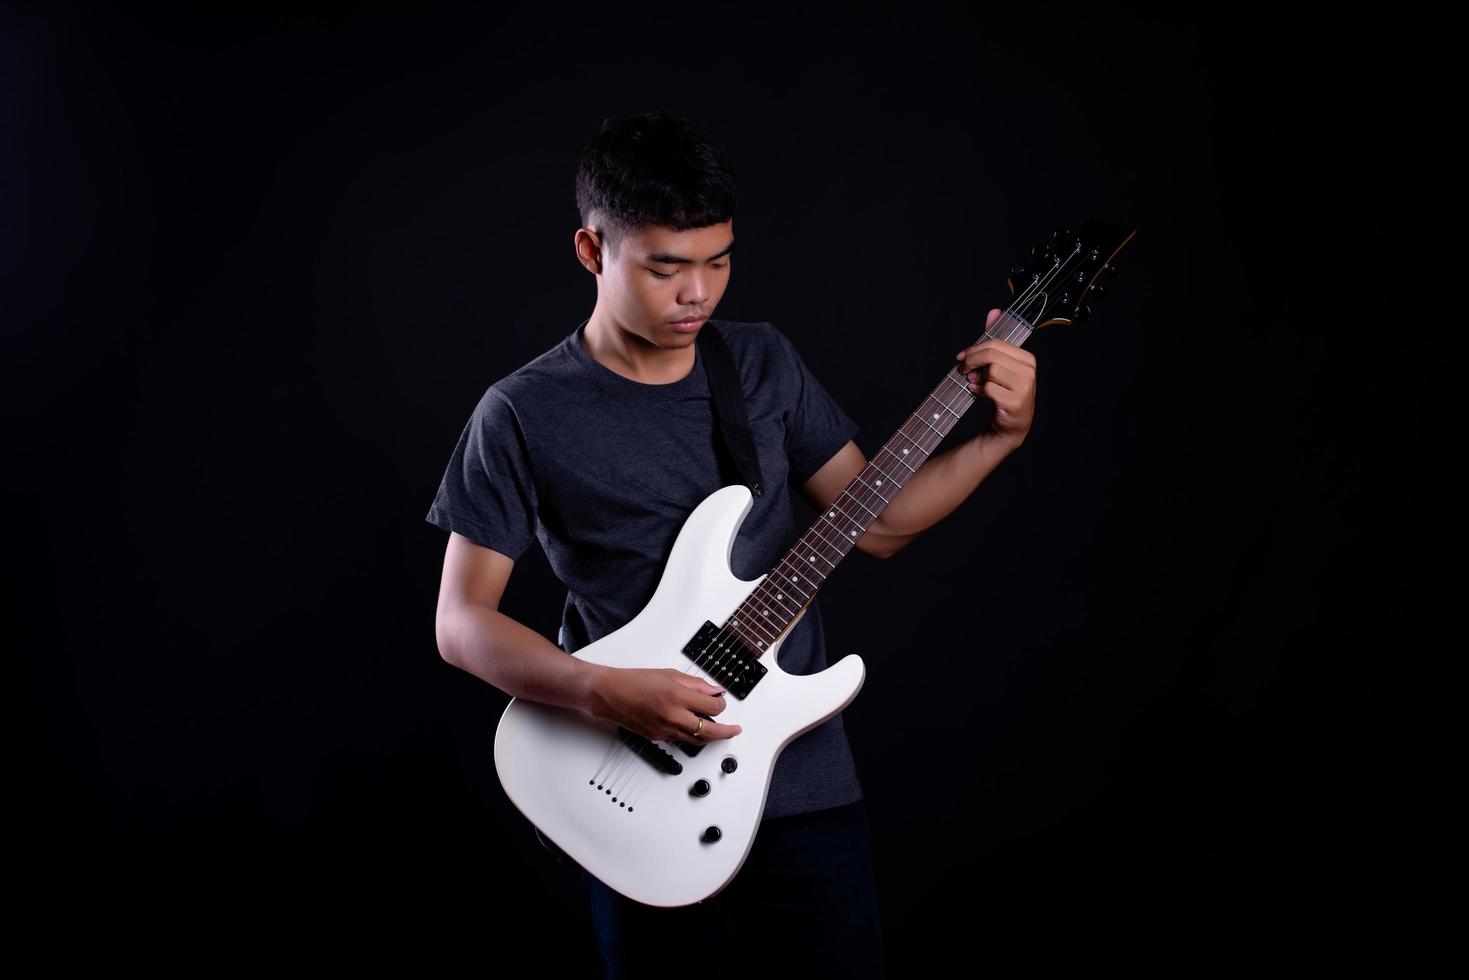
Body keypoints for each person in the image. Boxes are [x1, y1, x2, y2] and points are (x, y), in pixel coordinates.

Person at [426, 111, 1036, 979]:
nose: (697, 295)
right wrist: (603, 691)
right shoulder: (523, 411)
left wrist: (997, 439)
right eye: (666, 267)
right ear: (591, 251)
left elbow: (883, 525)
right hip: (631, 790)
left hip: (801, 780)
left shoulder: (760, 364)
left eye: (717, 262)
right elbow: (460, 623)